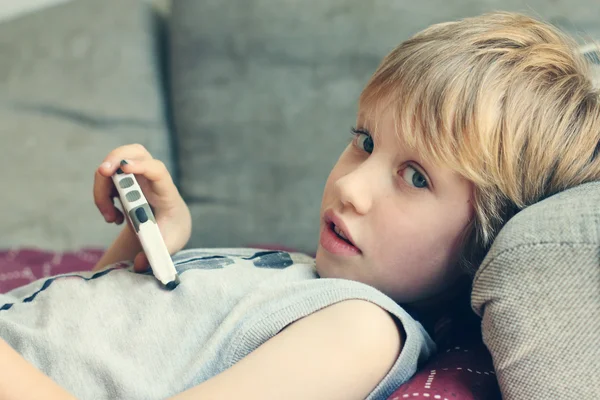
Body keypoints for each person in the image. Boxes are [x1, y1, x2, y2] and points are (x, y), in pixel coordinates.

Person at [1, 11, 599, 400]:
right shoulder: (306, 273)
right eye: (364, 141)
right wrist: (146, 238)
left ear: (486, 241)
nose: (351, 187)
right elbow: (93, 348)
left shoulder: (362, 329)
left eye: (415, 177)